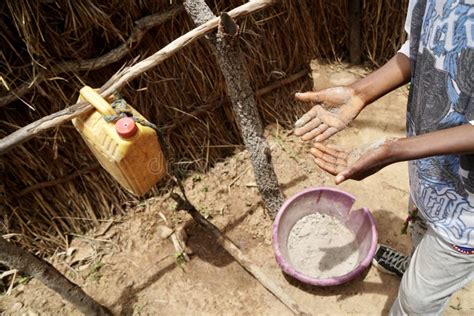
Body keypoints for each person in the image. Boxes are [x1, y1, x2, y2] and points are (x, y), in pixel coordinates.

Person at [293, 0, 474, 315]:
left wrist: (395, 150)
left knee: (416, 302)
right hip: (429, 170)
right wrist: (360, 92)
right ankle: (414, 262)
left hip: (467, 215)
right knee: (419, 229)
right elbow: (418, 49)